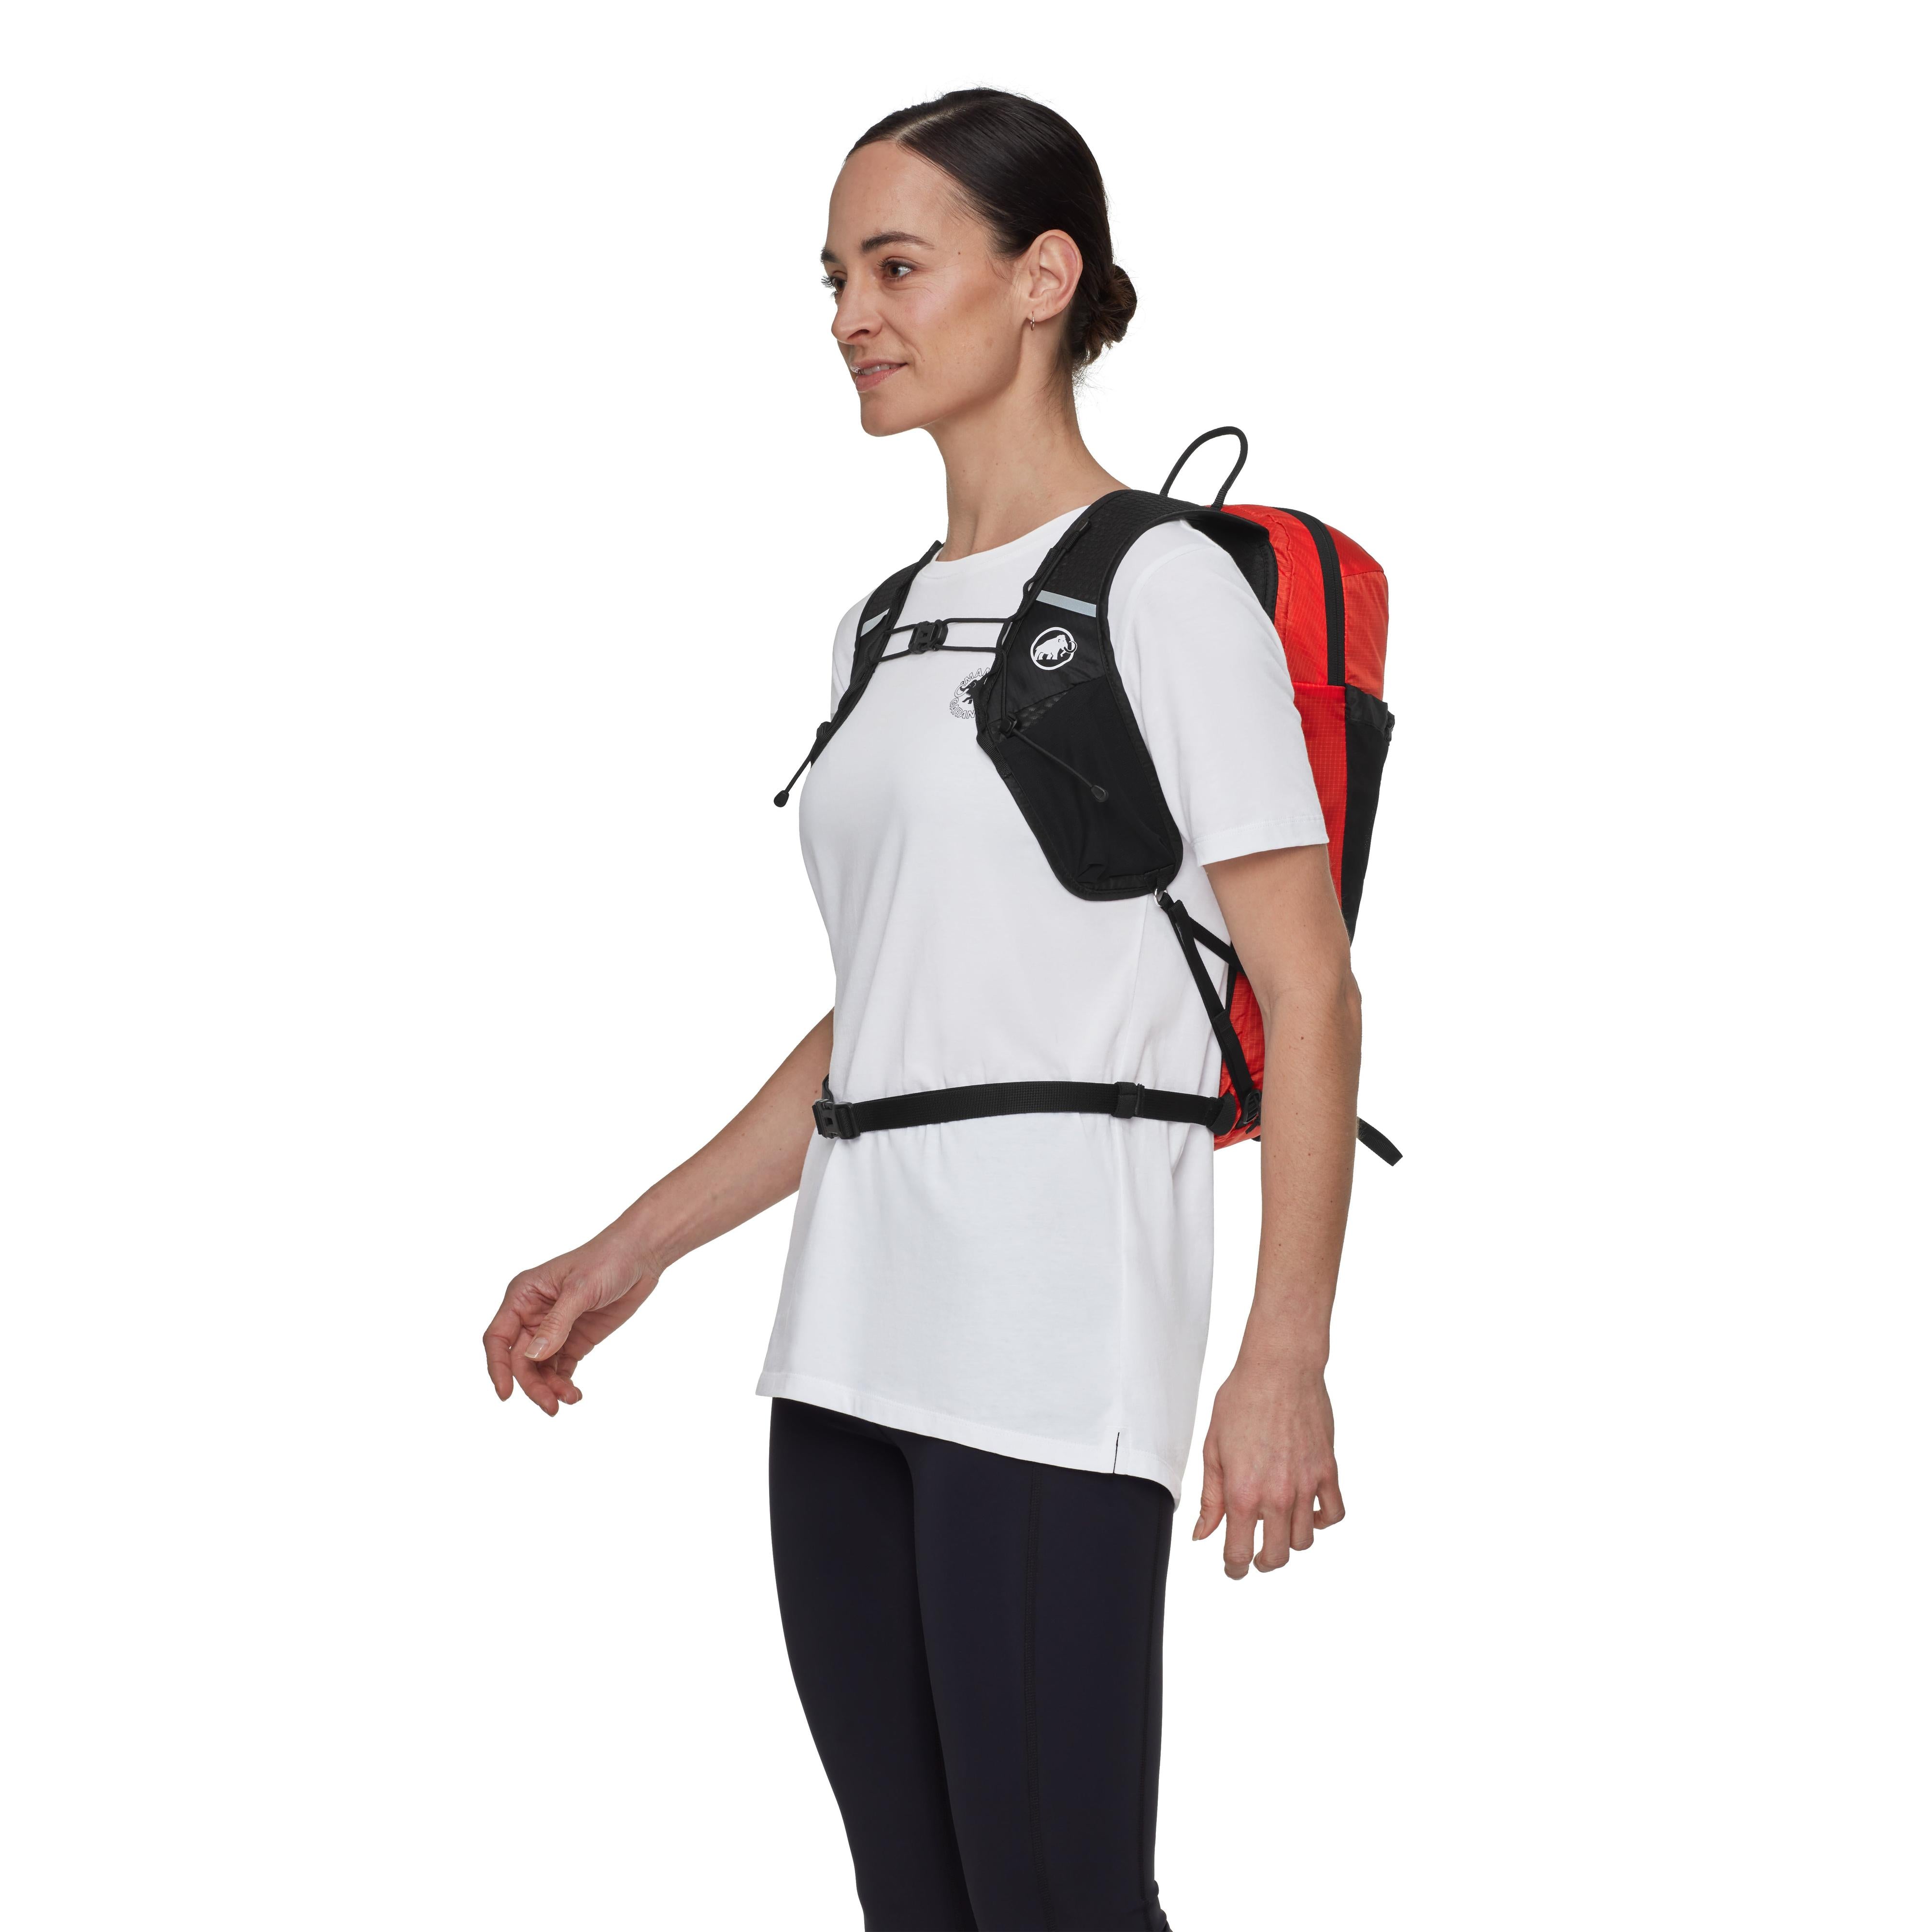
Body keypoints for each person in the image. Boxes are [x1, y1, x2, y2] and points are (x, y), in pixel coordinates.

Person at [483, 87, 1362, 1932]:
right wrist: (632, 1249)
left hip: (1051, 1332)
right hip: (842, 1346)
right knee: (916, 1900)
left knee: (1058, 1898)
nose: (851, 317)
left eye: (896, 267)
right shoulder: (879, 627)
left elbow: (1307, 980)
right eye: (834, 278)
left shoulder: (1164, 589)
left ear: (1043, 279)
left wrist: (1283, 1354)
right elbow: (887, 1013)